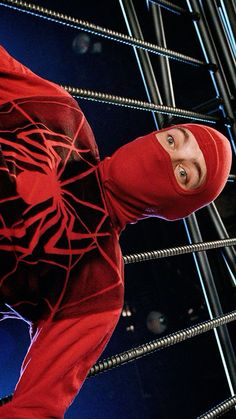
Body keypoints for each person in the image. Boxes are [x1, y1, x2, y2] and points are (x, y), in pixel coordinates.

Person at [0, 45, 232, 418]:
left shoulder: (101, 290)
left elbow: (33, 410)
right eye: (173, 140)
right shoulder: (60, 114)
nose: (168, 157)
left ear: (176, 208)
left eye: (185, 173)